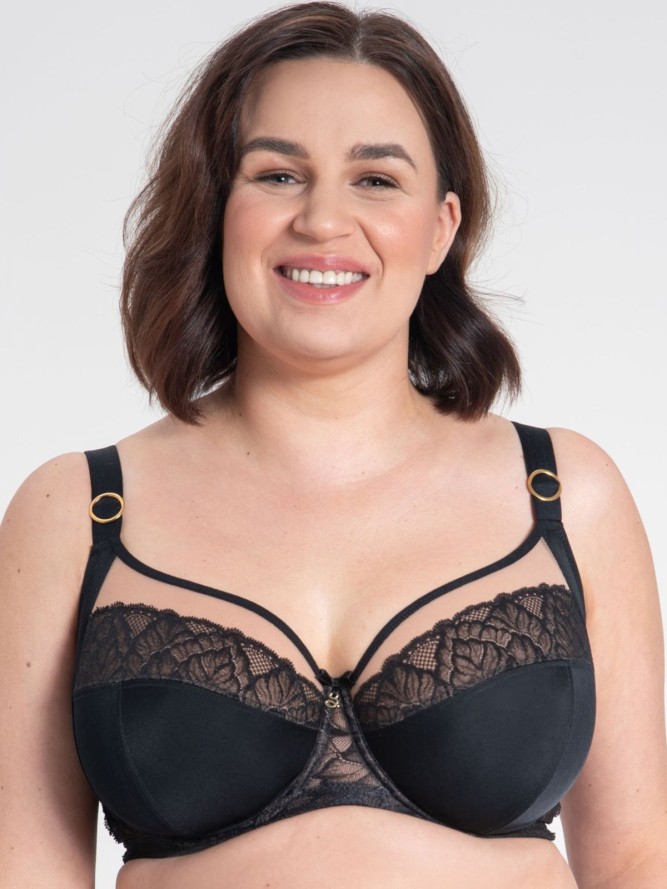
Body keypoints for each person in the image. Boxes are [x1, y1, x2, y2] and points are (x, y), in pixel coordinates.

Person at [1, 2, 665, 887]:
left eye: (375, 179)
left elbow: (637, 860)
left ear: (440, 227)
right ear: (216, 208)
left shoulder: (565, 493)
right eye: (277, 174)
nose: (322, 220)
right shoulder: (75, 513)